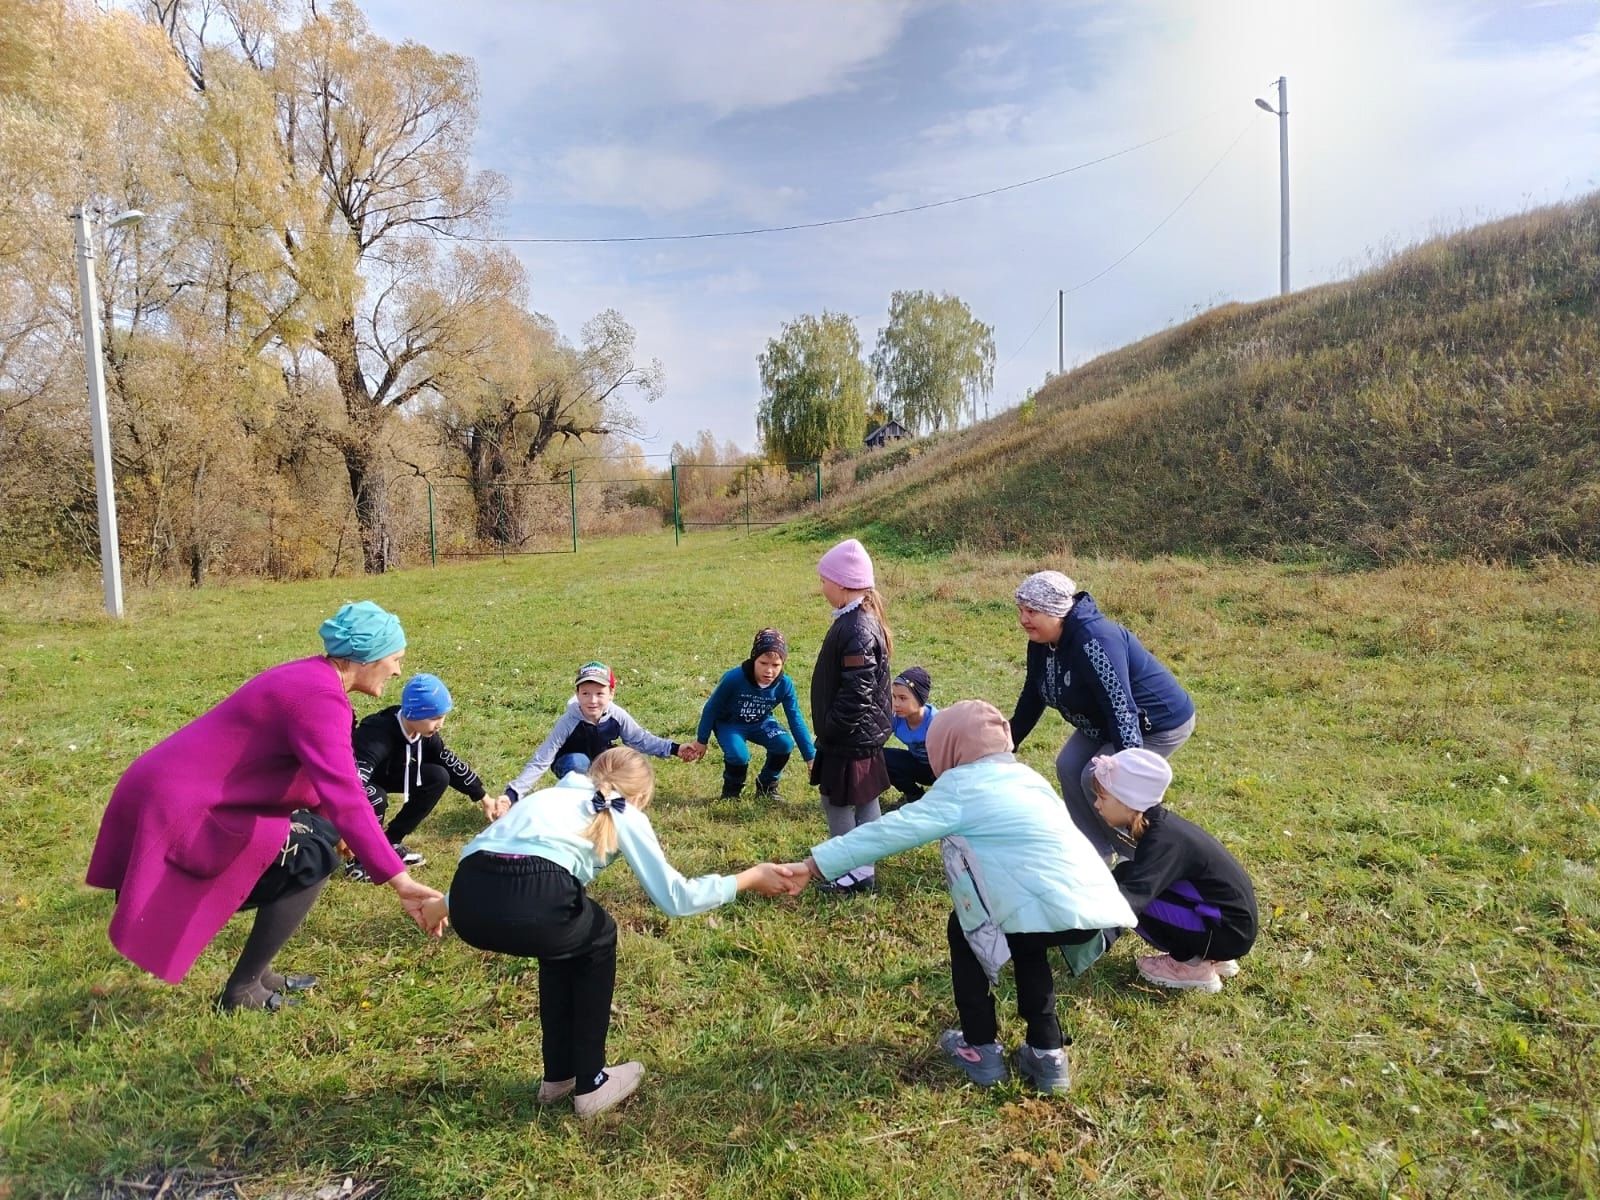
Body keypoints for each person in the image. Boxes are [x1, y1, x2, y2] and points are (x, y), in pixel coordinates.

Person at [85, 601, 443, 1012]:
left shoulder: (313, 678)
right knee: (312, 858)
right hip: (182, 809)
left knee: (318, 838)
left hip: (182, 794)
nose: (398, 670)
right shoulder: (321, 697)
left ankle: (260, 974)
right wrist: (398, 879)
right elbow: (345, 793)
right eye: (395, 659)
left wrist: (341, 830)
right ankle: (243, 992)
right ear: (367, 656)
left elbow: (319, 781)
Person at [419, 747, 797, 1118]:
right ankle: (591, 1082)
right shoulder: (624, 812)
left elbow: (504, 857)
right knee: (598, 935)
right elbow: (677, 898)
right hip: (535, 899)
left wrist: (442, 905)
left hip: (469, 899)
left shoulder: (545, 797)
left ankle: (558, 1079)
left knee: (566, 943)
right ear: (642, 795)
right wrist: (749, 878)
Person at [779, 701, 1136, 1093]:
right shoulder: (1028, 778)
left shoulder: (961, 787)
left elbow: (891, 831)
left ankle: (979, 1047)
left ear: (950, 748)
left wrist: (815, 864)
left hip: (1037, 905)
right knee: (1027, 941)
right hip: (1092, 903)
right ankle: (1048, 1055)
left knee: (964, 930)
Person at [1008, 570, 1196, 860]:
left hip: (1156, 723)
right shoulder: (1041, 643)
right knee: (1068, 765)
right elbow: (1033, 694)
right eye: (1021, 610)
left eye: (1032, 611)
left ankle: (1132, 854)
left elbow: (1121, 708)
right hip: (1102, 724)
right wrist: (1009, 741)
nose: (1023, 619)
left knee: (1095, 778)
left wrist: (1128, 771)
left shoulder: (1095, 641)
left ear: (1056, 611)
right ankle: (1094, 848)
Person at [1089, 748, 1257, 993]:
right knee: (1126, 873)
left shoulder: (1163, 841)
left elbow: (1131, 899)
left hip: (1228, 934)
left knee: (1123, 889)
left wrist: (1088, 937)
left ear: (1128, 802)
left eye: (1102, 798)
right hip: (1230, 926)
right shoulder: (1164, 828)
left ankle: (1191, 966)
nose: (1096, 804)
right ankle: (1211, 956)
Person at [488, 662, 701, 818]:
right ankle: (577, 813)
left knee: (624, 766)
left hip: (602, 763)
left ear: (611, 693)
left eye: (599, 693)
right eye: (585, 693)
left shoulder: (617, 715)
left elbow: (639, 739)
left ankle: (607, 807)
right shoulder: (569, 720)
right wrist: (512, 794)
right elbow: (542, 758)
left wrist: (675, 748)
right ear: (577, 693)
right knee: (577, 764)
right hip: (571, 763)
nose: (592, 700)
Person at [344, 672, 492, 881]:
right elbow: (353, 780)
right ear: (414, 714)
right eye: (434, 718)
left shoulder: (424, 733)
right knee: (375, 796)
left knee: (438, 776)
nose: (440, 724)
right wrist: (345, 828)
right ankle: (360, 861)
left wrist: (483, 797)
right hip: (359, 778)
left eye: (442, 716)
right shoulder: (377, 735)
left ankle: (390, 843)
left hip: (389, 774)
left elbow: (447, 760)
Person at [809, 538, 894, 895]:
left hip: (849, 736)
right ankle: (862, 868)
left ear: (843, 584)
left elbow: (857, 691)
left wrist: (831, 731)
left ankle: (850, 872)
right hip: (857, 734)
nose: (822, 586)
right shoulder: (854, 620)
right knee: (863, 798)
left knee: (839, 801)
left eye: (825, 580)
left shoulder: (857, 628)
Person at [683, 628, 816, 800]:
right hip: (729, 724)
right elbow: (711, 708)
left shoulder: (785, 684)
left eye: (775, 665)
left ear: (783, 663)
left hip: (760, 722)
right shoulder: (734, 678)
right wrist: (702, 740)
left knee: (784, 744)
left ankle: (767, 786)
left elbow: (795, 719)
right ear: (754, 659)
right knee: (739, 755)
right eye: (763, 663)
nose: (769, 671)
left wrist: (810, 757)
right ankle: (732, 792)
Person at [883, 666, 937, 804]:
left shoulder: (936, 722)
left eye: (903, 698)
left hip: (941, 771)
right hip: (918, 764)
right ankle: (914, 795)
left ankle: (936, 802)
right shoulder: (895, 717)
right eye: (894, 697)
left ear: (920, 699)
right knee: (880, 756)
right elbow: (878, 739)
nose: (896, 704)